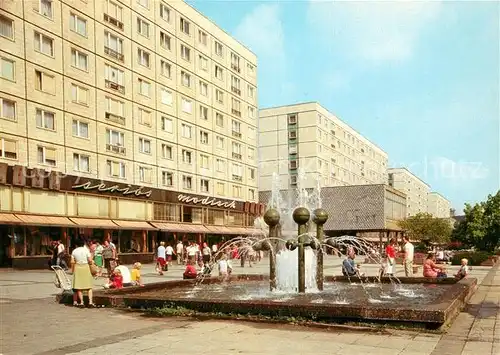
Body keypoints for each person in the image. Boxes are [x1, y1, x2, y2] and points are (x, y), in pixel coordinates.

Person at [70, 238, 95, 307]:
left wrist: (72, 270)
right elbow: (90, 260)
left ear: (76, 244)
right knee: (89, 286)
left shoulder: (74, 251)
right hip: (86, 267)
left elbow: (72, 262)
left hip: (77, 268)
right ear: (83, 243)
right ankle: (90, 302)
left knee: (79, 286)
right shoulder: (86, 250)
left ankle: (81, 302)